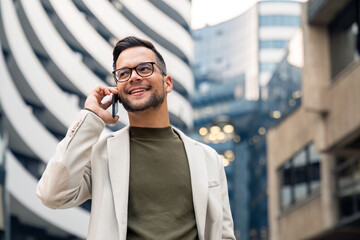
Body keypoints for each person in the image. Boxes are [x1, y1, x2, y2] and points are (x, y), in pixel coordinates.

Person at [37, 36, 235, 240]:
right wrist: (91, 117)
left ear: (167, 83)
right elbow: (52, 195)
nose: (133, 77)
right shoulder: (101, 154)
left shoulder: (208, 159)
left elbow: (223, 234)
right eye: (123, 73)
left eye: (144, 68)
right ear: (117, 90)